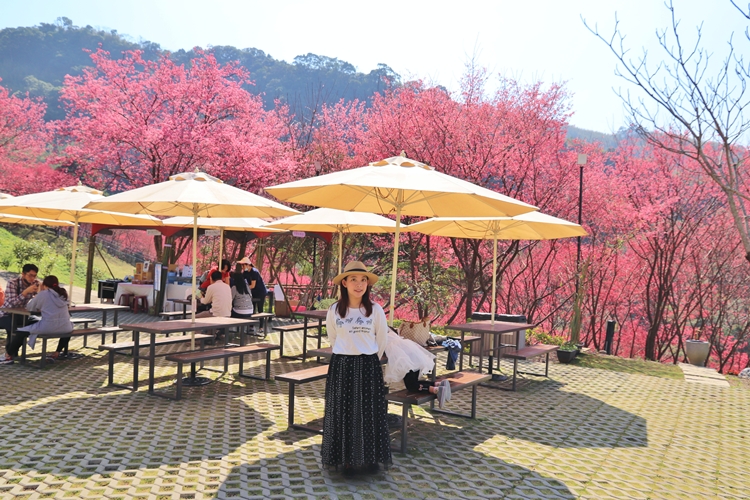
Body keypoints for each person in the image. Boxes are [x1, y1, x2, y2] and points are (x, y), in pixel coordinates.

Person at [321, 260, 391, 475]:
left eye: (363, 280)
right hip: (342, 365)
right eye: (353, 280)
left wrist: (368, 357)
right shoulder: (334, 310)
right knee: (344, 413)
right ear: (344, 283)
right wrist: (348, 353)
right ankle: (347, 460)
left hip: (368, 364)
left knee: (370, 412)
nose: (359, 285)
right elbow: (333, 338)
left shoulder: (375, 310)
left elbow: (382, 340)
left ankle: (370, 458)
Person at [383, 330, 452, 408]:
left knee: (411, 386)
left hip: (406, 359)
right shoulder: (390, 331)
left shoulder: (380, 336)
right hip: (414, 353)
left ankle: (437, 390)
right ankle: (438, 384)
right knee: (414, 382)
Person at [15, 276, 74, 360]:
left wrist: (39, 292)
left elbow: (30, 307)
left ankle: (9, 355)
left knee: (20, 331)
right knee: (68, 327)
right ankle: (57, 352)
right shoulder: (63, 293)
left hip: (48, 327)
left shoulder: (44, 294)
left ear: (44, 285)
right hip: (66, 327)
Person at [1, 264, 40, 362]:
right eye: (30, 275)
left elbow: (39, 303)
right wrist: (25, 292)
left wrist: (40, 294)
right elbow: (12, 303)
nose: (33, 278)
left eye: (34, 276)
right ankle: (10, 355)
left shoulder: (36, 284)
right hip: (6, 314)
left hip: (23, 315)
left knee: (38, 323)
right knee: (14, 328)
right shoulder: (13, 283)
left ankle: (11, 353)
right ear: (23, 274)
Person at [196, 270, 232, 341]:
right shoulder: (227, 286)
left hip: (216, 314)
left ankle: (197, 340)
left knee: (196, 317)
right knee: (211, 313)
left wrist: (200, 298)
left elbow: (205, 302)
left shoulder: (211, 287)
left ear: (211, 279)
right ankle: (210, 336)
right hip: (228, 314)